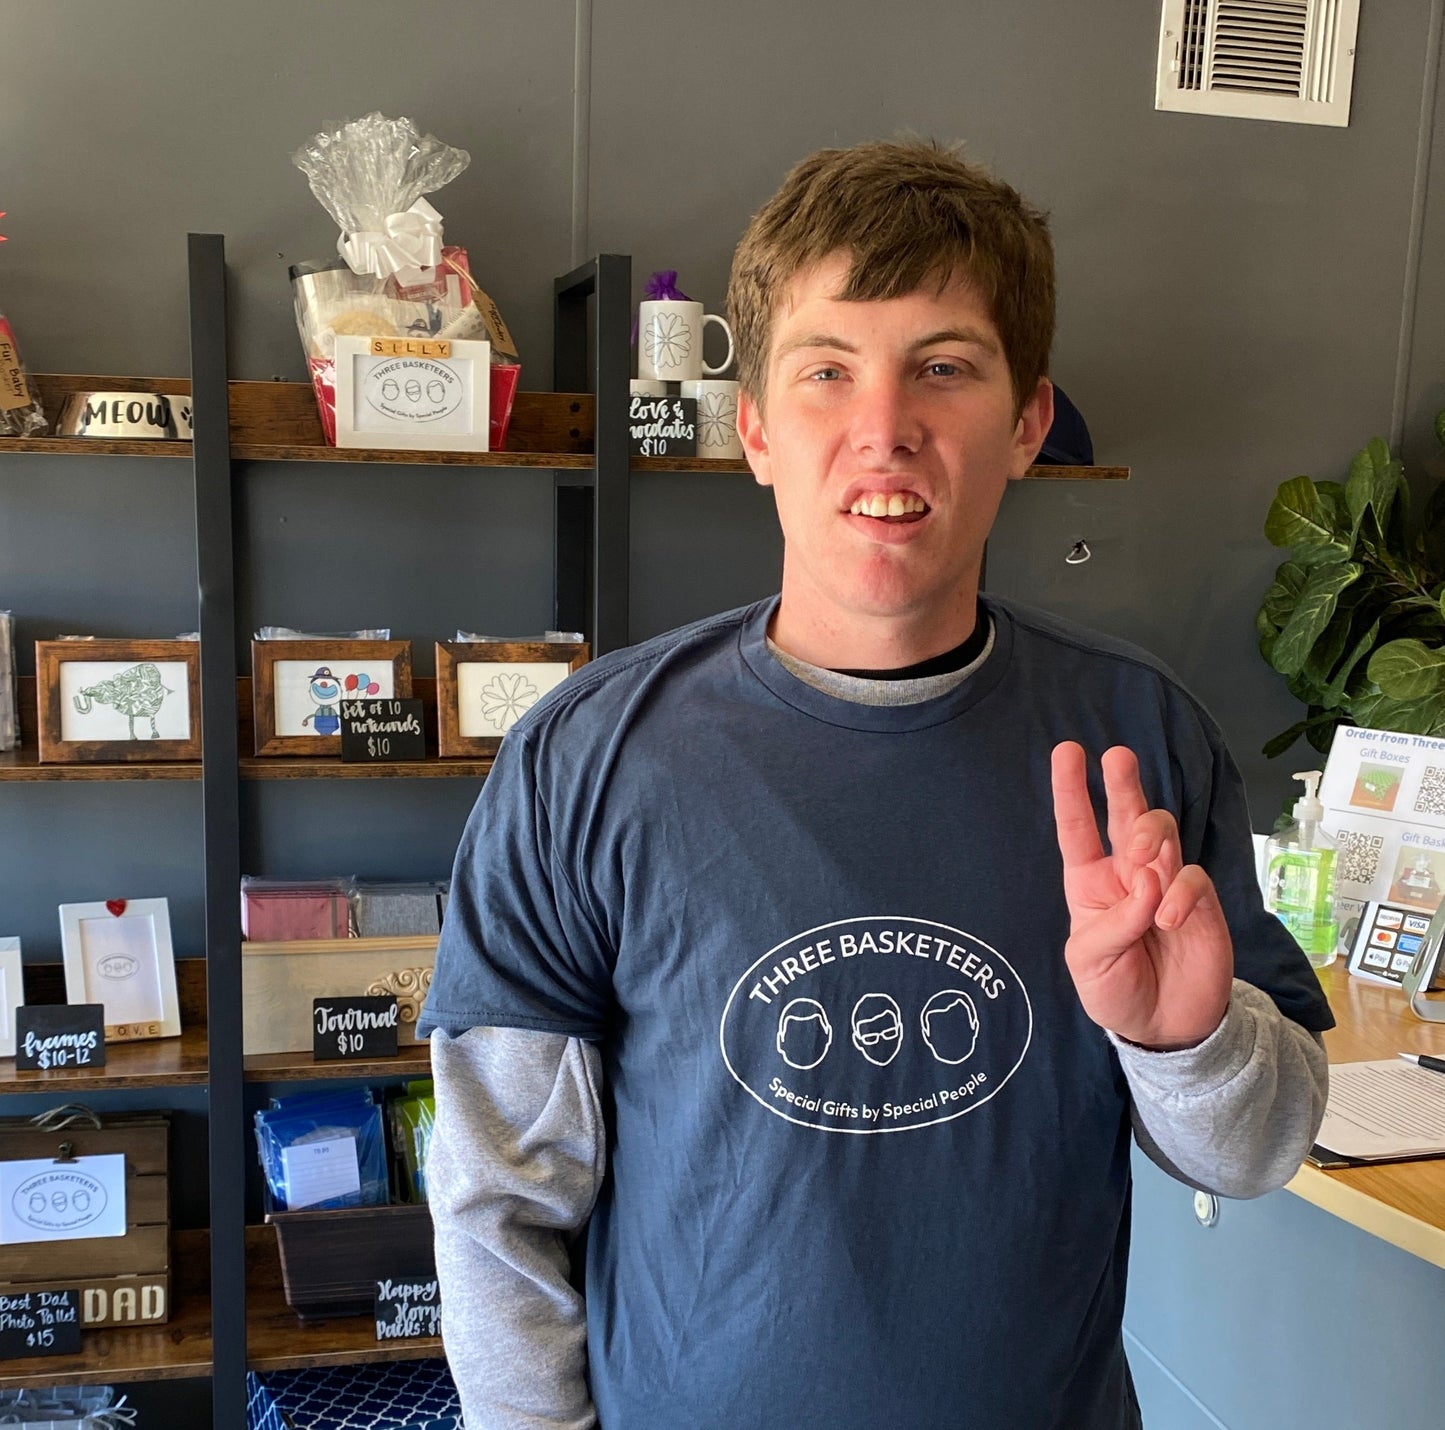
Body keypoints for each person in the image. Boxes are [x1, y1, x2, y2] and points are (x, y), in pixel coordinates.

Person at [418, 138, 1332, 1430]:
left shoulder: (1137, 737)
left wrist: (1177, 1038)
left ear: (1024, 424)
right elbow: (498, 1206)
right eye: (826, 369)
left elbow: (1253, 1151)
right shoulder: (587, 758)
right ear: (753, 428)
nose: (882, 426)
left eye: (943, 367)